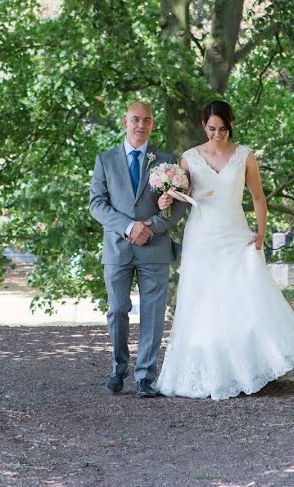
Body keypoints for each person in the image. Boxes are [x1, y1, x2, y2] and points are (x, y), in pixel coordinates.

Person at [154, 101, 294, 399]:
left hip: (236, 234)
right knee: (204, 301)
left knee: (244, 296)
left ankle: (253, 366)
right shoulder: (189, 158)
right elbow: (182, 197)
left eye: (223, 129)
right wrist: (166, 198)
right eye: (212, 129)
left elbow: (257, 195)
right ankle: (213, 371)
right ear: (204, 126)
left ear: (231, 125)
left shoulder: (244, 156)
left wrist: (261, 232)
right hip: (202, 236)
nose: (217, 135)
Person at [89, 102, 188, 397]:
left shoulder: (167, 162)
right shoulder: (105, 160)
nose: (140, 125)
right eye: (135, 119)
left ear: (152, 125)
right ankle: (119, 367)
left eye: (146, 120)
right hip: (118, 248)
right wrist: (129, 227)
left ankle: (145, 376)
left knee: (154, 312)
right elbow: (97, 204)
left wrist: (152, 226)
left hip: (155, 248)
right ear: (125, 121)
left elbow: (179, 206)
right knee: (118, 309)